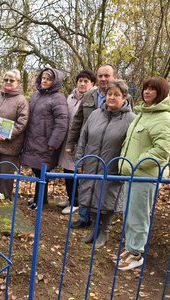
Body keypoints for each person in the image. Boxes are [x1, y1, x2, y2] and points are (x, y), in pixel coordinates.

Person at [117, 76, 170, 270]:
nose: (147, 92)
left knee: (139, 215)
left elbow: (161, 151)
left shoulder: (164, 117)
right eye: (145, 88)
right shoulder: (144, 113)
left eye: (152, 89)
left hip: (145, 175)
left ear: (161, 93)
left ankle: (136, 254)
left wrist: (135, 163)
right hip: (132, 174)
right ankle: (131, 247)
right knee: (129, 213)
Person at [75, 80, 136, 248]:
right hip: (91, 162)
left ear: (124, 97)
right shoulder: (95, 115)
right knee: (91, 195)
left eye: (116, 94)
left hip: (113, 165)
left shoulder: (131, 119)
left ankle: (105, 232)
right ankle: (94, 229)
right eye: (109, 94)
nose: (112, 97)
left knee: (108, 198)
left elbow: (132, 145)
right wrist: (80, 158)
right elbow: (83, 137)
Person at [65, 64, 117, 228]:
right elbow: (77, 122)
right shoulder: (88, 96)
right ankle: (83, 217)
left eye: (106, 76)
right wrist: (71, 143)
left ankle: (100, 221)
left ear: (113, 77)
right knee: (85, 182)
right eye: (100, 76)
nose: (103, 79)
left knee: (104, 184)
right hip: (88, 146)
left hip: (109, 148)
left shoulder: (122, 96)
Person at [20, 68, 68, 210]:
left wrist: (54, 142)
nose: (45, 81)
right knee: (37, 171)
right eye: (43, 78)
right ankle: (41, 198)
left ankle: (39, 200)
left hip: (46, 141)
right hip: (33, 138)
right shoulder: (36, 95)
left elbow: (62, 122)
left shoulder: (58, 98)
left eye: (48, 79)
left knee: (42, 172)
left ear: (55, 82)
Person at [58, 70, 96, 214]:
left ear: (92, 84)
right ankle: (70, 198)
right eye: (80, 80)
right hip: (68, 140)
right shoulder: (70, 98)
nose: (82, 83)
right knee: (67, 170)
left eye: (86, 81)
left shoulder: (92, 99)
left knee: (77, 171)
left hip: (82, 142)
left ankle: (77, 201)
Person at [0, 69, 29, 200]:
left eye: (11, 80)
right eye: (6, 79)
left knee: (6, 175)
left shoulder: (21, 100)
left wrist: (8, 134)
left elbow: (22, 123)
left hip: (10, 145)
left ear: (17, 82)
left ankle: (6, 200)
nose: (8, 82)